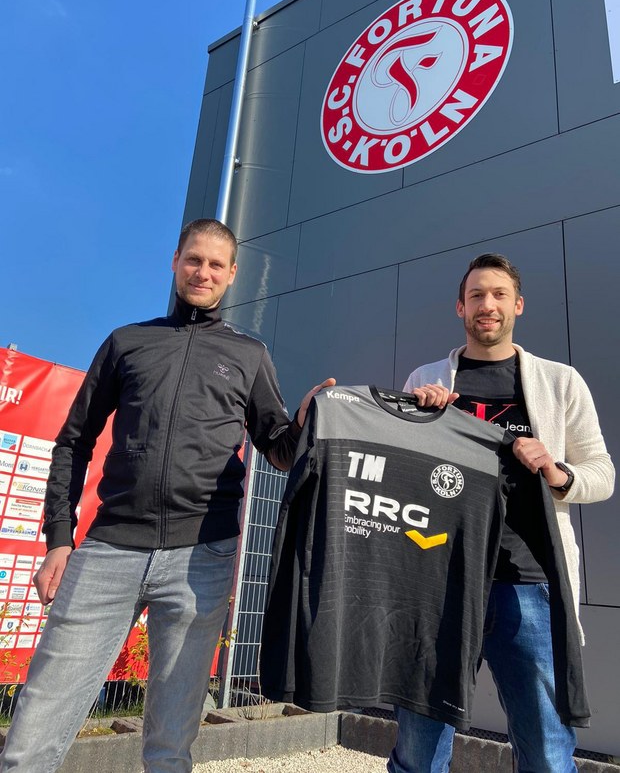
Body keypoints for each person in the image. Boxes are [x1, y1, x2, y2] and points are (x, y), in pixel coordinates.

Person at [0, 218, 334, 773]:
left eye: (216, 264)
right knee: (32, 732)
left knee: (170, 745)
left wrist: (301, 422)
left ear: (232, 274)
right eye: (193, 260)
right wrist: (59, 538)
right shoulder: (127, 342)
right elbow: (74, 442)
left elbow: (277, 447)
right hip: (108, 550)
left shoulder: (249, 354)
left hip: (202, 557)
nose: (203, 272)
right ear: (175, 262)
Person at [389, 253, 615, 773]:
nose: (486, 305)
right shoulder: (427, 377)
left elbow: (602, 474)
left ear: (518, 305)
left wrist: (556, 471)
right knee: (418, 751)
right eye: (476, 296)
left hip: (528, 583)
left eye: (498, 295)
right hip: (440, 582)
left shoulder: (560, 382)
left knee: (547, 753)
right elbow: (401, 475)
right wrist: (417, 420)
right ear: (460, 308)